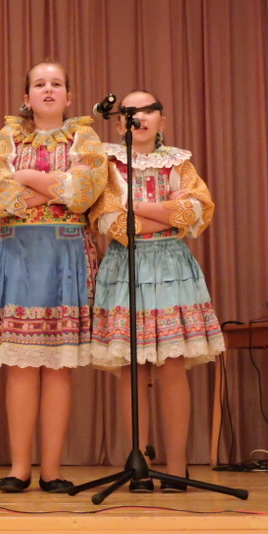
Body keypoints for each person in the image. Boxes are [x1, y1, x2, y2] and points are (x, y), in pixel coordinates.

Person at [0, 61, 108, 493]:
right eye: (39, 84)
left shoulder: (84, 137)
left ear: (69, 96)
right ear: (27, 96)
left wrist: (28, 177)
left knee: (59, 367)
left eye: (56, 83)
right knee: (20, 364)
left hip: (67, 253)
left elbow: (86, 192)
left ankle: (52, 469)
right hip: (19, 252)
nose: (48, 89)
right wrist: (58, 187)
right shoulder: (8, 137)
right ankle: (19, 467)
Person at [89, 90, 225, 492]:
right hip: (125, 265)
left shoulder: (179, 163)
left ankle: (178, 467)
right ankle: (140, 466)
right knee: (133, 368)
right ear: (119, 123)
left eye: (149, 110)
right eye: (131, 111)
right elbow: (110, 219)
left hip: (170, 267)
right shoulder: (107, 164)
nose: (141, 117)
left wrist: (139, 208)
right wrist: (166, 210)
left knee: (171, 365)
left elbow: (197, 210)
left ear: (162, 121)